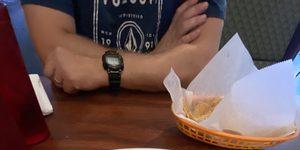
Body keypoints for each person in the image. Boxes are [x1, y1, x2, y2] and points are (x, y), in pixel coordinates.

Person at [21, 0, 226, 93]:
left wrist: (100, 69)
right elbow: (55, 50)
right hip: (79, 109)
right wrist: (158, 57)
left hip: (169, 117)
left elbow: (197, 64)